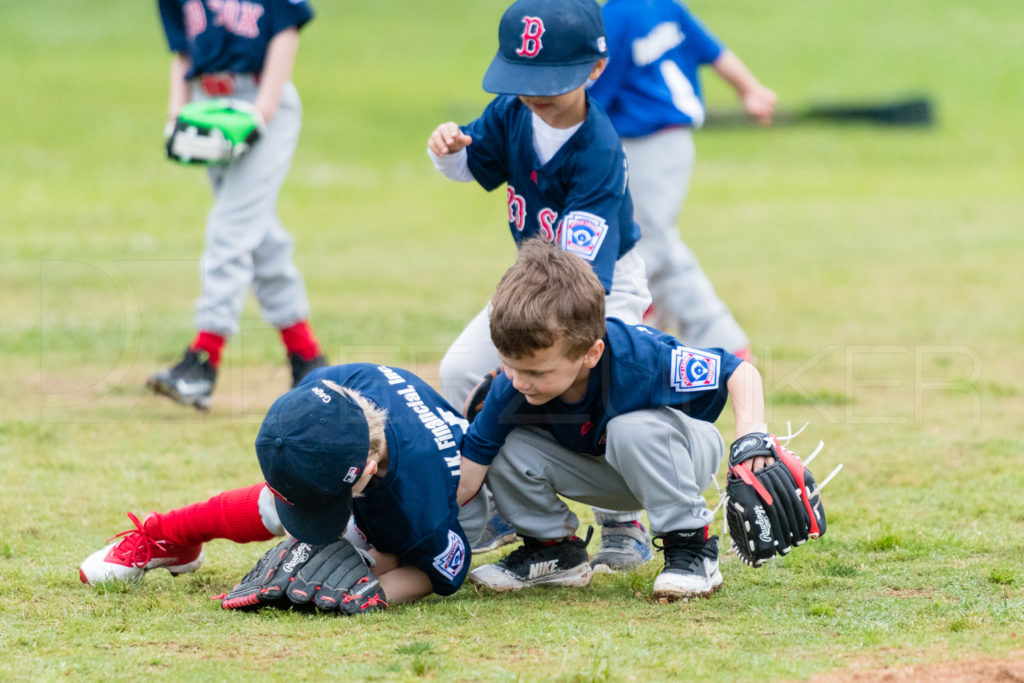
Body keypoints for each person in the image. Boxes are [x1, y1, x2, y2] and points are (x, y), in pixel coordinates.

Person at [426, 0, 654, 570]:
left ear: (595, 70)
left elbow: (580, 285)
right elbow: (473, 163)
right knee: (459, 371)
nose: (534, 92)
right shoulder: (510, 113)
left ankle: (624, 522)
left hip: (598, 287)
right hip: (536, 281)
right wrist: (449, 150)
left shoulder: (598, 150)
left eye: (549, 79)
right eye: (523, 77)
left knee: (593, 385)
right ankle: (484, 510)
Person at [456, 240, 771, 601]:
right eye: (509, 364)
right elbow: (472, 469)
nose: (519, 380)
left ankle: (691, 548)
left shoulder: (639, 356)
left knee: (629, 427)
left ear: (592, 352)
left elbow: (741, 373)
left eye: (535, 371)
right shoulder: (513, 385)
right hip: (610, 469)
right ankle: (555, 551)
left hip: (681, 456)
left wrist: (751, 440)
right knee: (501, 443)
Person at [81, 363, 488, 607]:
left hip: (457, 504)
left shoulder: (423, 512)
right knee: (279, 504)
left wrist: (369, 593)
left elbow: (439, 572)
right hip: (389, 471)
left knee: (372, 553)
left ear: (363, 470)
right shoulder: (330, 386)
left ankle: (368, 548)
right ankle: (170, 537)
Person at [148, 0, 327, 411]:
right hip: (210, 107)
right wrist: (177, 112)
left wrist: (262, 112)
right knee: (257, 233)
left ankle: (204, 360)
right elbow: (183, 51)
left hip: (264, 102)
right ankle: (306, 356)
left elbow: (286, 33)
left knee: (230, 228)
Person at [587, 0, 777, 359]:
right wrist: (749, 89)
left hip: (644, 143)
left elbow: (593, 96)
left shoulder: (616, 16)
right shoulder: (664, 6)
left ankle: (629, 327)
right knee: (656, 240)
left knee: (645, 244)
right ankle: (715, 338)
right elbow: (715, 51)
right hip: (673, 141)